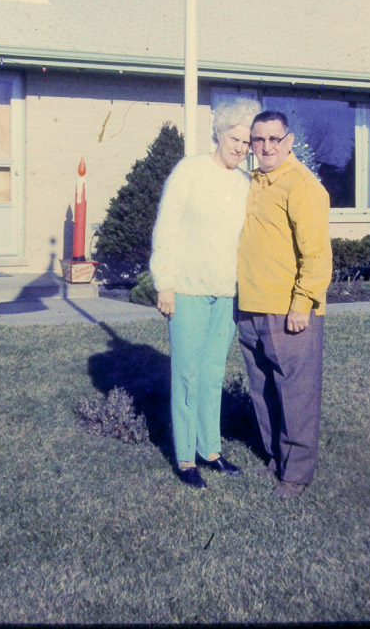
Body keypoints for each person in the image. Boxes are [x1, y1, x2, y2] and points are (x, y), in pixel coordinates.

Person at [150, 98, 261, 489]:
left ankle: (210, 450)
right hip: (188, 289)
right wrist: (164, 282)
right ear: (219, 134)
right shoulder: (189, 171)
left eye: (246, 143)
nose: (240, 148)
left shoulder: (245, 184)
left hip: (226, 293)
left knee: (213, 373)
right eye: (235, 139)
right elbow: (166, 227)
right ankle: (185, 458)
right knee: (186, 373)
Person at [237, 110, 333, 498]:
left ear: (289, 141)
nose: (266, 147)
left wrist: (302, 303)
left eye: (274, 139)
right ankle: (276, 460)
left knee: (296, 395)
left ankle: (297, 475)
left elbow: (317, 254)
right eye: (258, 140)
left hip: (287, 309)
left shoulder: (302, 185)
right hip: (250, 306)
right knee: (263, 391)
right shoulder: (253, 182)